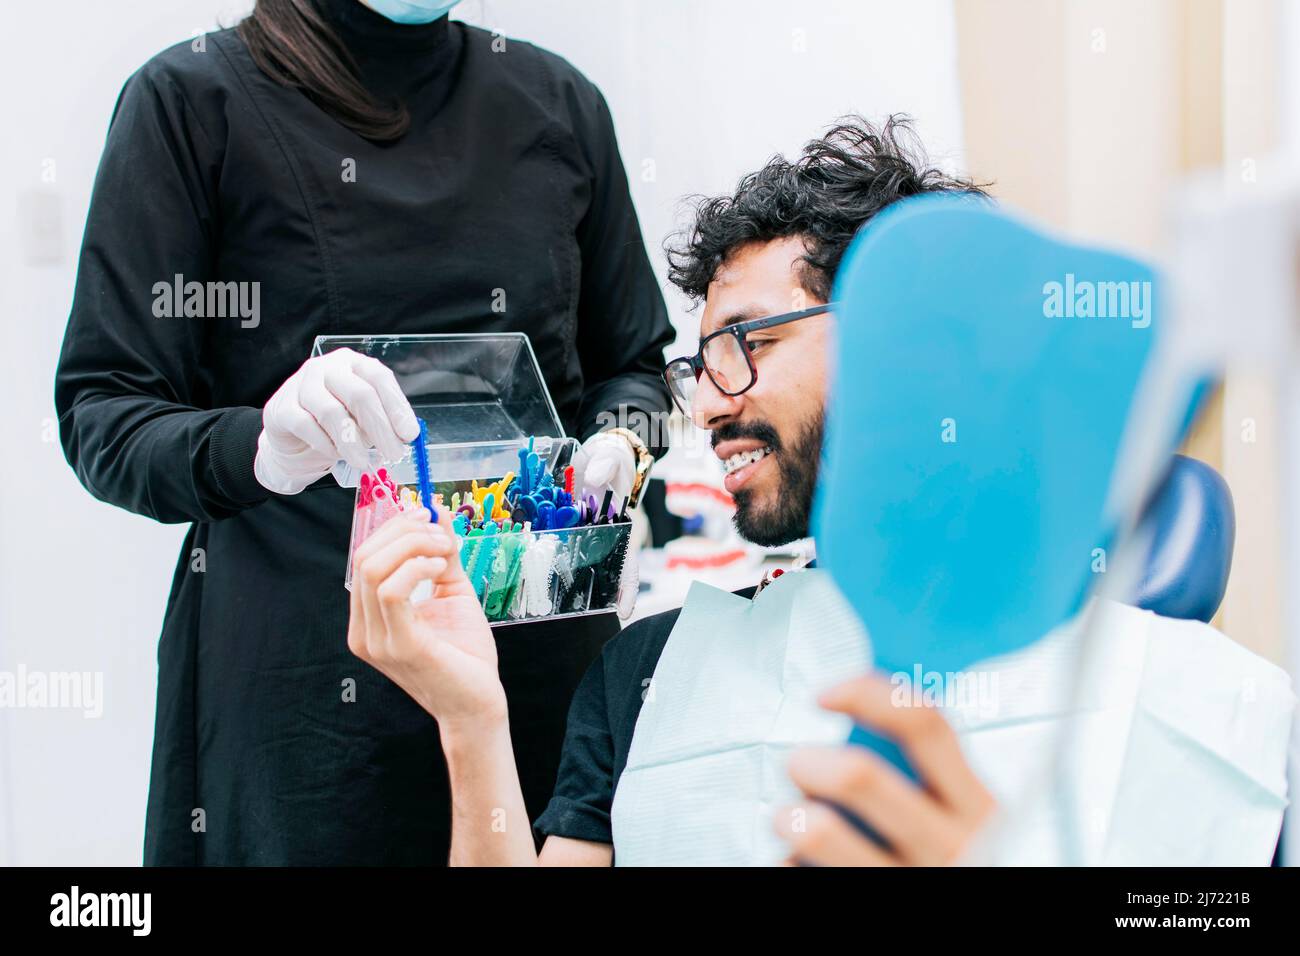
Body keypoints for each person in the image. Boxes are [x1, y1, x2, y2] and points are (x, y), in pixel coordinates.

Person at [55, 0, 672, 865]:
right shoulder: (193, 101)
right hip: (310, 703)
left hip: (537, 670)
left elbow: (636, 363)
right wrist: (258, 450)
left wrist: (622, 440)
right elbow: (105, 412)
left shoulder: (559, 104)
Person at [347, 116, 1000, 865]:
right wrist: (469, 719)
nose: (708, 406)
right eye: (701, 364)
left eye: (749, 344)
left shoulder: (1105, 649)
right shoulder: (642, 674)